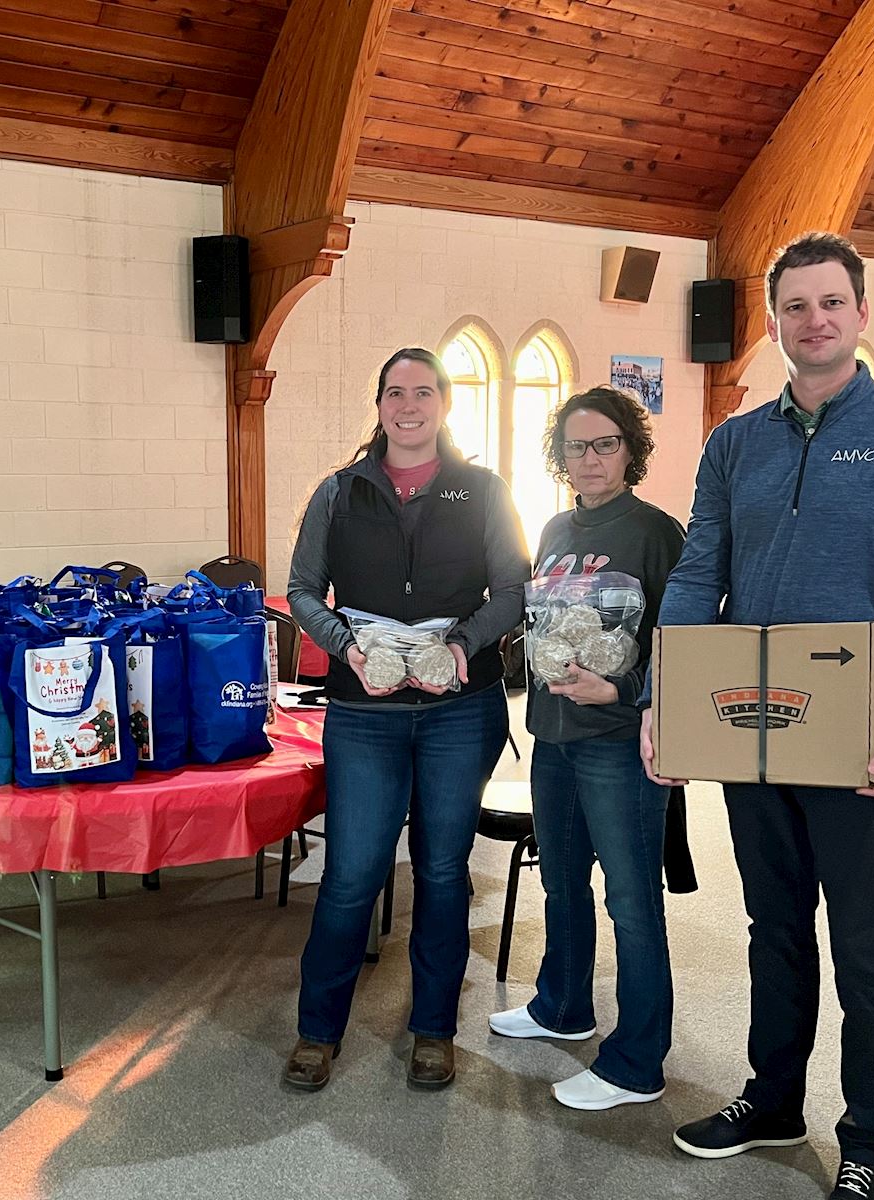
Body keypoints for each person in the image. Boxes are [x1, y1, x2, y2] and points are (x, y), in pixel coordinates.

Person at [640, 233, 874, 1200]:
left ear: (862, 313)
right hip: (753, 729)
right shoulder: (733, 442)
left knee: (867, 944)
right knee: (773, 927)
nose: (815, 320)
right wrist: (668, 694)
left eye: (832, 302)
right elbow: (701, 571)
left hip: (863, 737)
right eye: (795, 306)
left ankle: (871, 1145)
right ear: (774, 322)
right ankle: (775, 1097)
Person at [283, 347, 527, 1092]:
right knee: (351, 874)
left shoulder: (483, 490)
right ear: (380, 403)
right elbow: (301, 591)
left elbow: (514, 589)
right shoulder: (338, 492)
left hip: (460, 709)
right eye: (395, 392)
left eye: (424, 392)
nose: (409, 405)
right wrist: (347, 647)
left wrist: (462, 644)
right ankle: (317, 1032)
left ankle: (433, 1029)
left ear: (445, 403)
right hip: (366, 713)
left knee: (444, 871)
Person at [489, 386, 686, 1111]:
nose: (591, 458)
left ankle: (638, 1061)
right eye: (577, 445)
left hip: (618, 746)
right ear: (559, 455)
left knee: (632, 903)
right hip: (553, 738)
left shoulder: (657, 533)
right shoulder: (551, 529)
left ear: (630, 450)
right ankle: (561, 1007)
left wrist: (626, 690)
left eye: (605, 443)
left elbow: (687, 644)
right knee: (561, 883)